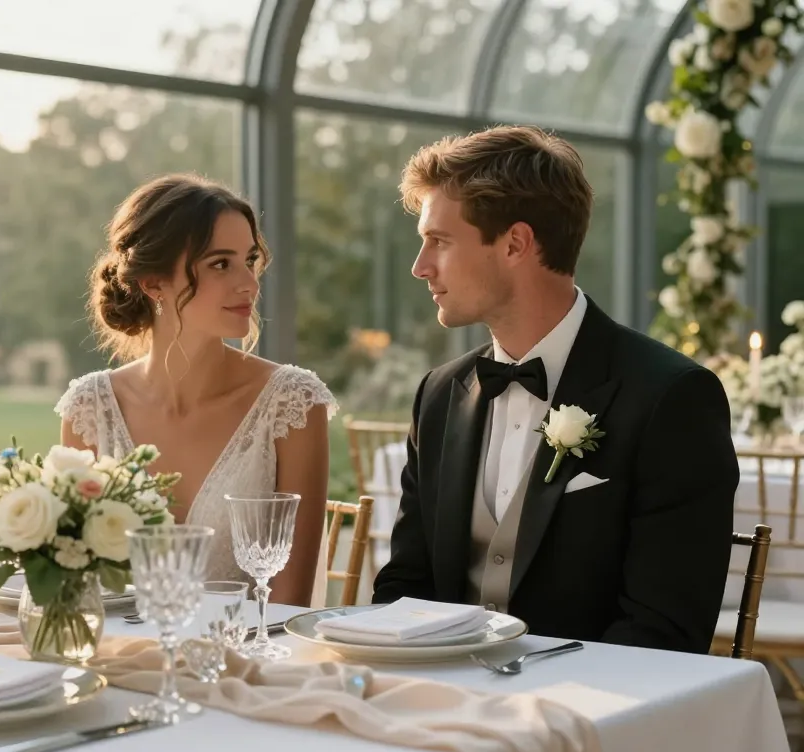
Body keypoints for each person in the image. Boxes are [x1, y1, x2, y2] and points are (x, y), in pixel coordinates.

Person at [371, 126, 738, 654]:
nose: (420, 266)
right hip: (441, 709)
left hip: (591, 718)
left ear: (516, 243)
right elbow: (404, 591)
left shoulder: (672, 398)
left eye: (440, 241)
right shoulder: (439, 394)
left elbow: (663, 632)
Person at [55, 173, 336, 606]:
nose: (249, 283)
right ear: (153, 283)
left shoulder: (293, 403)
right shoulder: (90, 409)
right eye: (221, 264)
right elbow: (76, 585)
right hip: (124, 660)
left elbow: (288, 606)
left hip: (251, 663)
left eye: (250, 260)